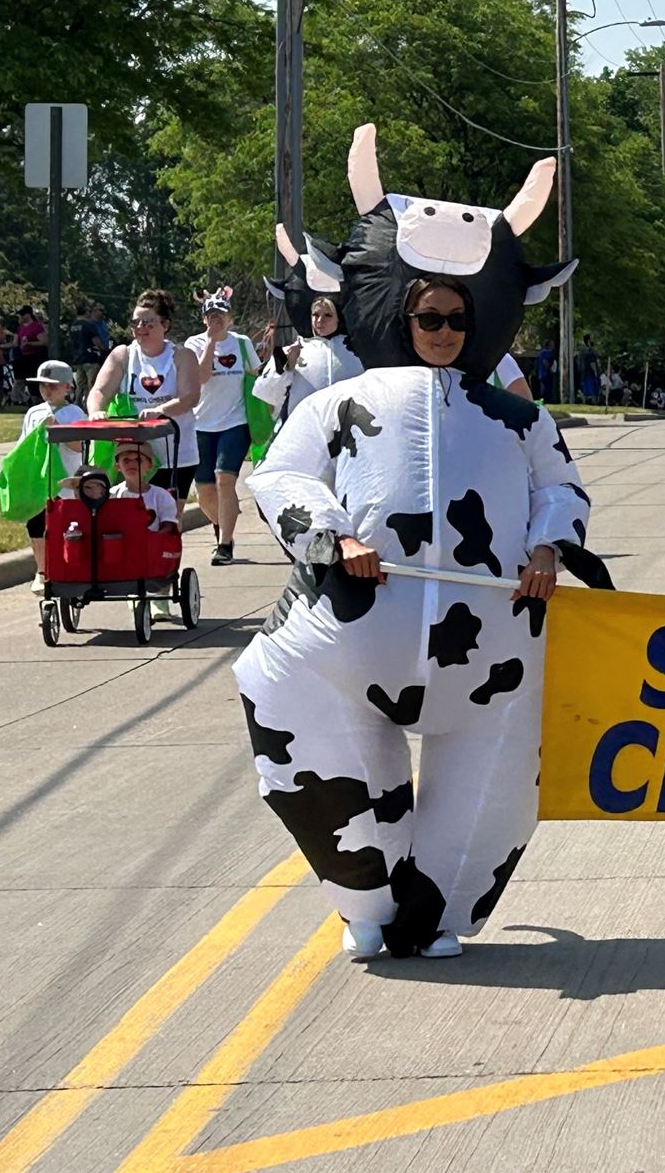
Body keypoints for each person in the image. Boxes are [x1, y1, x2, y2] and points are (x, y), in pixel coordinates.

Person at [238, 124, 592, 962]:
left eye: (456, 315)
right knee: (281, 691)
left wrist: (547, 549)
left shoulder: (518, 415)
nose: (439, 328)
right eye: (426, 313)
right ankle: (364, 900)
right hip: (352, 638)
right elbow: (279, 478)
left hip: (494, 656)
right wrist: (329, 538)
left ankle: (438, 915)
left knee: (492, 792)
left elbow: (564, 489)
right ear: (398, 310)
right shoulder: (337, 403)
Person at [89, 289, 199, 496]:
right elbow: (99, 390)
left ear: (165, 325)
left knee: (168, 518)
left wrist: (160, 410)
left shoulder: (182, 356)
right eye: (135, 323)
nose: (140, 328)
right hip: (134, 455)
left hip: (175, 453)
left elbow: (190, 397)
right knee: (131, 517)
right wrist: (96, 411)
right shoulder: (123, 355)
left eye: (148, 323)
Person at [184, 289, 256, 564]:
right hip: (201, 425)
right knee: (204, 491)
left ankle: (224, 545)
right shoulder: (194, 343)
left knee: (224, 479)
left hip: (235, 422)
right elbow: (200, 377)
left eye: (221, 315)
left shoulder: (242, 343)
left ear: (230, 318)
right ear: (204, 320)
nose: (216, 319)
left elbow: (255, 378)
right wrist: (211, 343)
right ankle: (223, 525)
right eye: (211, 315)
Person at [16, 359, 85, 589]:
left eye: (53, 385)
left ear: (67, 387)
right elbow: (24, 447)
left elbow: (79, 447)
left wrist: (57, 428)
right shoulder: (34, 412)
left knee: (69, 527)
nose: (47, 390)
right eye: (43, 385)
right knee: (36, 524)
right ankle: (42, 570)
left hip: (66, 483)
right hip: (40, 481)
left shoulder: (75, 413)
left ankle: (71, 566)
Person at [255, 291, 363, 423]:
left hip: (346, 428)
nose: (320, 321)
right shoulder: (294, 349)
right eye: (315, 315)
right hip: (305, 428)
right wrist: (286, 367)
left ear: (338, 318)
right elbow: (265, 394)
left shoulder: (357, 352)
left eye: (327, 315)